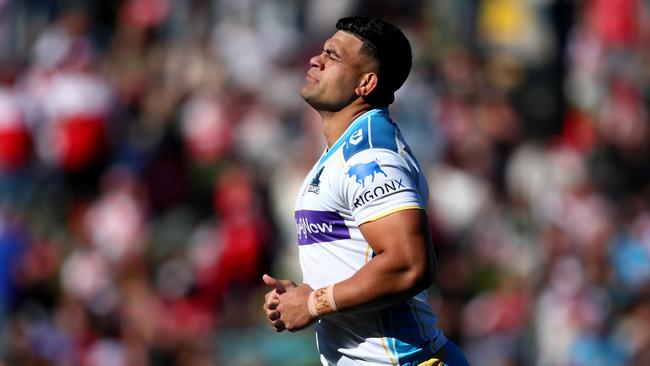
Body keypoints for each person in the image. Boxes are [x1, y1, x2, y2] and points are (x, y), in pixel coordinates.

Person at [262, 16, 470, 366]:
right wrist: (300, 296)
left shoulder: (370, 154)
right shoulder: (341, 151)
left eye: (334, 55)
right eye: (321, 51)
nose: (316, 59)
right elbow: (358, 262)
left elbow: (408, 265)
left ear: (366, 83)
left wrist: (314, 304)